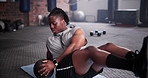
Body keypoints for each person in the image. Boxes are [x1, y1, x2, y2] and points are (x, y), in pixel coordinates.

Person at [35, 8, 147, 78]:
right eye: (49, 24)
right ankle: (135, 66)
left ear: (63, 21)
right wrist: (49, 66)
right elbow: (48, 58)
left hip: (83, 66)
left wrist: (54, 62)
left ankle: (138, 59)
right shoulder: (49, 40)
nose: (51, 27)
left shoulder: (76, 31)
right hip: (66, 72)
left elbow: (75, 46)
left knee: (108, 46)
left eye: (54, 23)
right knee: (91, 50)